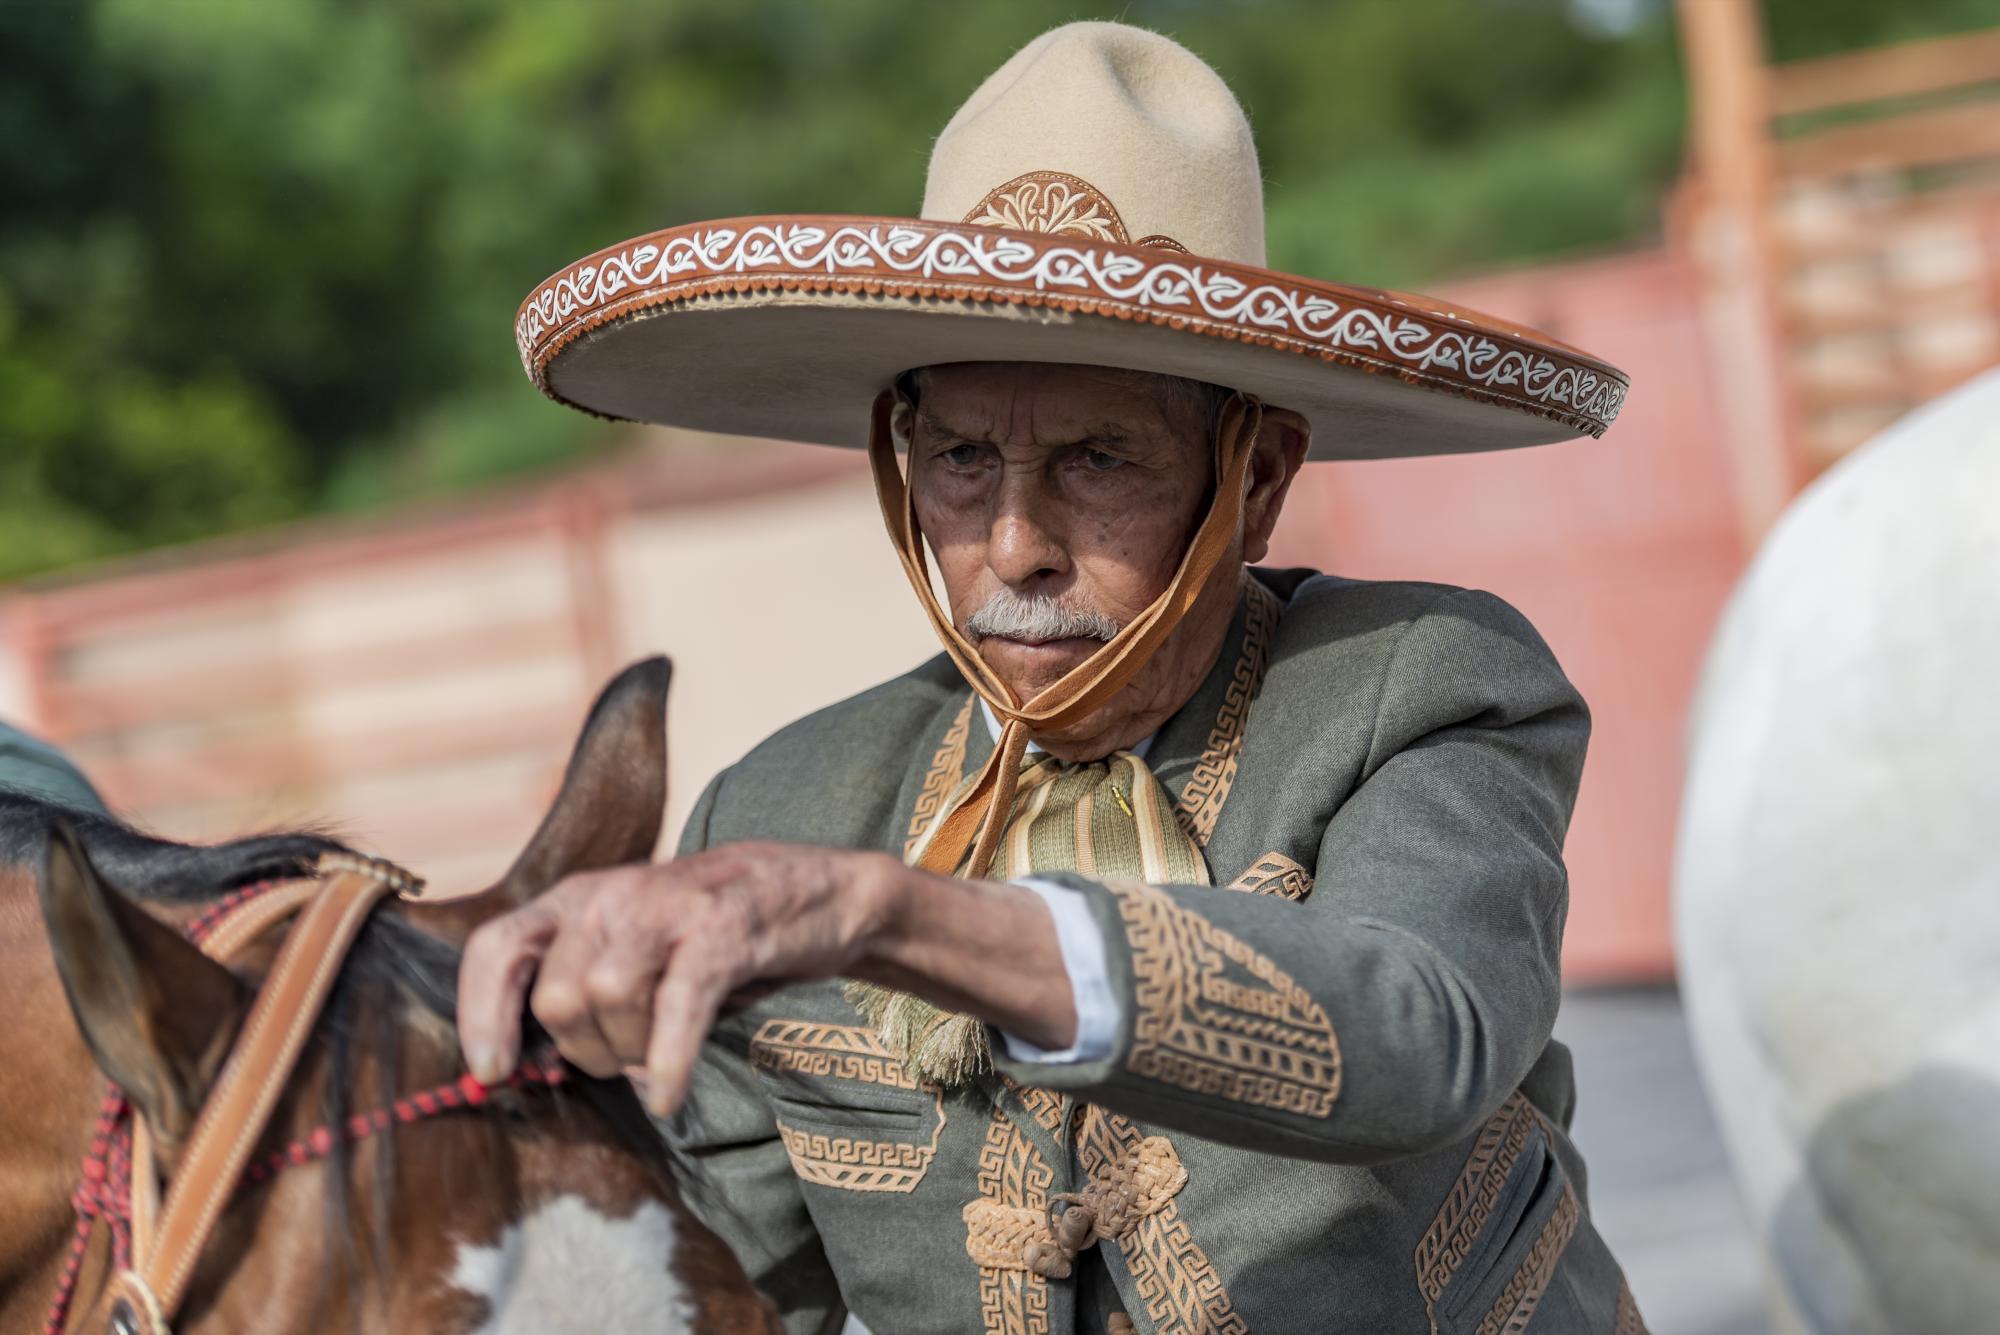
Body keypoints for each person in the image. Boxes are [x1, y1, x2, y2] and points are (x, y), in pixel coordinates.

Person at [459, 21, 1645, 1335]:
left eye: (1097, 459)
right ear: (898, 458)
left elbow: (1423, 1033)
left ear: (1254, 481)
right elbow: (724, 1293)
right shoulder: (781, 810)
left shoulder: (1425, 688)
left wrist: (886, 917)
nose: (1016, 547)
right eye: (963, 459)